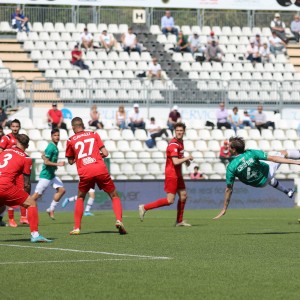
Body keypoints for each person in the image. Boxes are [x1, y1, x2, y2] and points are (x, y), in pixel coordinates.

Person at [213, 136, 299, 220]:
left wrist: (224, 208)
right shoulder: (251, 153)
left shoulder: (231, 167)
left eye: (229, 147)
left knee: (265, 174)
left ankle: (288, 192)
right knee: (284, 153)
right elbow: (274, 159)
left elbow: (229, 189)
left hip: (260, 183)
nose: (228, 148)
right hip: (267, 172)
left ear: (234, 149)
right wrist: (295, 162)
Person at [65, 117, 126, 235]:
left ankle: (77, 227)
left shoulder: (70, 140)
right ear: (83, 125)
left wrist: (80, 158)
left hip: (85, 171)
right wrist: (96, 156)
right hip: (99, 168)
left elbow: (71, 161)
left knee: (81, 197)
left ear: (73, 127)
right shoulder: (93, 134)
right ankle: (119, 220)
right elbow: (106, 153)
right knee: (114, 195)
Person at [139, 122, 193, 226]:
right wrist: (187, 158)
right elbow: (175, 162)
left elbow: (179, 158)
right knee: (170, 200)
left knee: (183, 195)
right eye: (177, 130)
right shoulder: (173, 145)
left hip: (178, 174)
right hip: (171, 175)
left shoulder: (180, 142)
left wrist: (185, 160)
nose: (179, 132)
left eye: (181, 130)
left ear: (184, 131)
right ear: (174, 131)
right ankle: (144, 207)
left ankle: (179, 221)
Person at [0, 134, 51, 242]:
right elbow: (26, 183)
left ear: (16, 142)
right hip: (5, 185)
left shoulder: (4, 152)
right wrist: (26, 196)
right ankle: (35, 235)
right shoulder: (26, 158)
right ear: (27, 145)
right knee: (32, 203)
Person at [0, 119, 28, 227]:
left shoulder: (21, 139)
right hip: (9, 171)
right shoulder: (6, 138)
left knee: (22, 191)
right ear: (10, 127)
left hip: (18, 170)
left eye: (17, 126)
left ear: (19, 127)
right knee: (9, 194)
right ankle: (11, 219)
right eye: (13, 126)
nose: (15, 128)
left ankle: (23, 217)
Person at [33, 129, 66, 220]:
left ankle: (51, 209)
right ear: (51, 136)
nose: (57, 137)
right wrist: (58, 164)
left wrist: (43, 156)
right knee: (35, 197)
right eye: (55, 135)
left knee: (62, 190)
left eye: (58, 135)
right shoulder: (51, 147)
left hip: (52, 175)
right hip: (46, 176)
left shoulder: (55, 147)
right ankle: (26, 215)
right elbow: (47, 162)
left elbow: (44, 156)